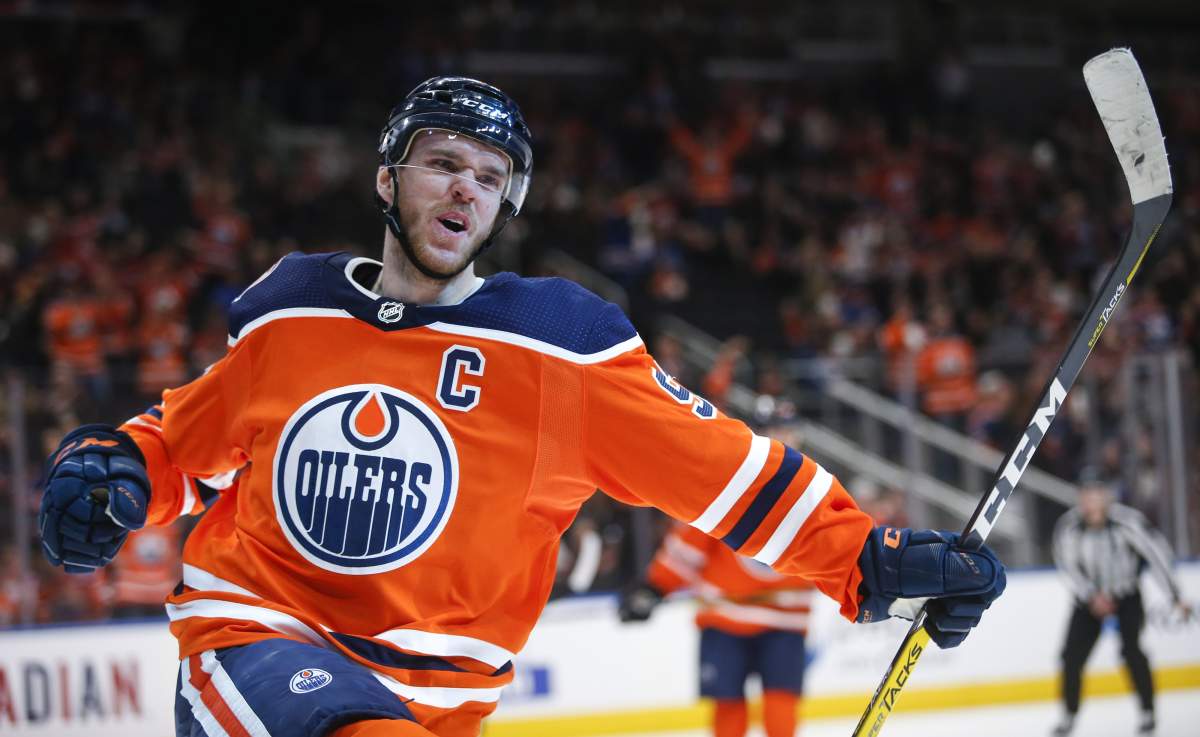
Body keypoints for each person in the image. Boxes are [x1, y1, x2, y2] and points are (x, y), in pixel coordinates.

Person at [37, 77, 1006, 737]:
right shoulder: (292, 308)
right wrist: (117, 474)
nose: (466, 186)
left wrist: (867, 559)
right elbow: (184, 442)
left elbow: (726, 472)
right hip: (254, 644)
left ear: (504, 208)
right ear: (387, 177)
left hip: (435, 705)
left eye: (491, 176)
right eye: (442, 161)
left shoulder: (560, 347)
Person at [620, 520, 817, 737]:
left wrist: (657, 585)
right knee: (732, 700)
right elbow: (691, 543)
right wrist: (656, 586)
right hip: (731, 622)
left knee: (778, 701)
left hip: (781, 622)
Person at [1050, 473, 1190, 736]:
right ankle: (1069, 714)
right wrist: (1091, 596)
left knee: (1132, 651)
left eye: (1097, 494)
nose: (1092, 501)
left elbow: (1156, 555)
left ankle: (1147, 712)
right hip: (1088, 602)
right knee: (1071, 657)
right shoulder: (1069, 527)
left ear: (1106, 497)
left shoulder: (1128, 522)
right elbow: (1067, 566)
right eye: (1086, 495)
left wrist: (1175, 595)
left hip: (1127, 595)